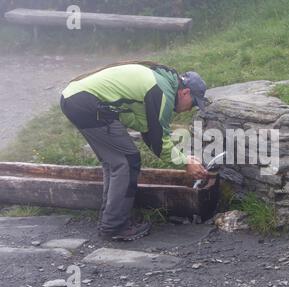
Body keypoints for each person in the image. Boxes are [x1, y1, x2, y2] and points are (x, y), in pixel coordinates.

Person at [59, 61, 209, 241]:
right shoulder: (161, 91)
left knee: (116, 162)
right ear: (185, 92)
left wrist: (184, 157)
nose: (189, 109)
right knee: (127, 162)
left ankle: (112, 220)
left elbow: (145, 126)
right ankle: (115, 226)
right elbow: (157, 139)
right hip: (87, 103)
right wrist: (185, 162)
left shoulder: (159, 81)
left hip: (75, 98)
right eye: (192, 104)